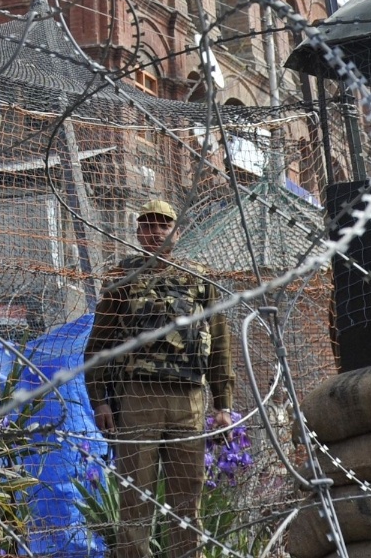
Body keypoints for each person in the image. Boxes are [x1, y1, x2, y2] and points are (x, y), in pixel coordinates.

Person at [85, 198, 236, 558]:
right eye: (147, 225)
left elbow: (219, 345)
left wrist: (224, 406)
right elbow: (99, 344)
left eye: (162, 225)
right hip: (138, 399)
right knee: (135, 501)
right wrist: (100, 401)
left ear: (176, 232)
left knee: (188, 501)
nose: (154, 232)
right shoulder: (123, 277)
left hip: (189, 400)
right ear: (137, 233)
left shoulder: (199, 277)